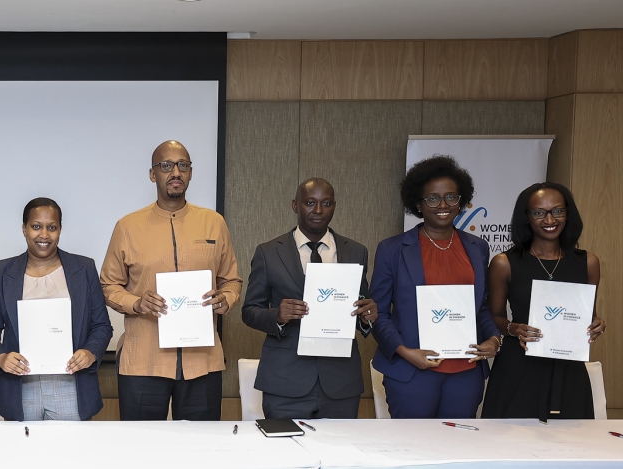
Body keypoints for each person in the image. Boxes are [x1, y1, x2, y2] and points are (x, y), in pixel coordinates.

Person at [100, 140, 242, 421]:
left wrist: (226, 298)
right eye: (166, 166)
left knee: (201, 443)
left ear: (190, 173)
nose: (175, 172)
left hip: (202, 361)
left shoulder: (214, 223)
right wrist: (136, 303)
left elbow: (232, 280)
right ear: (153, 174)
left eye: (183, 165)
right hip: (144, 362)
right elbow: (108, 285)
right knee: (141, 442)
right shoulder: (127, 227)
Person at [370, 156, 502, 419]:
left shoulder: (477, 248)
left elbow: (481, 307)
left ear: (461, 201)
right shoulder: (392, 249)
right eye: (433, 198)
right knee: (412, 443)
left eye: (451, 197)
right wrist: (405, 352)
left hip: (465, 374)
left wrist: (494, 339)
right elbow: (378, 314)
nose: (443, 205)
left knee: (459, 442)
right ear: (418, 204)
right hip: (412, 372)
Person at [242, 178, 378, 419]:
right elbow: (250, 310)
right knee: (285, 444)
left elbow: (360, 305)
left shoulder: (356, 251)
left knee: (341, 445)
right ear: (295, 205)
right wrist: (277, 316)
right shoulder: (268, 252)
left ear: (334, 206)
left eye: (326, 203)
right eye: (310, 203)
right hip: (285, 382)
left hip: (340, 382)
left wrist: (367, 317)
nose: (318, 210)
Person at [0, 197, 114, 420]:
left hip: (71, 385)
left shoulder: (84, 268)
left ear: (60, 230)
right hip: (20, 387)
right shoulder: (2, 271)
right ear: (24, 229)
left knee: (70, 444)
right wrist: (1, 358)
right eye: (36, 226)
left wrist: (90, 352)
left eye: (52, 227)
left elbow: (102, 326)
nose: (44, 235)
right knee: (22, 445)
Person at [482, 183, 605, 419]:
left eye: (557, 211)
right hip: (518, 366)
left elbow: (588, 315)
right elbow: (493, 317)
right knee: (508, 438)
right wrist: (514, 328)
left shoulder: (588, 262)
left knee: (572, 438)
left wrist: (597, 324)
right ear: (526, 217)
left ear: (567, 214)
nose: (550, 219)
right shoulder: (504, 263)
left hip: (568, 367)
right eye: (539, 212)